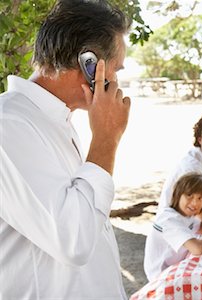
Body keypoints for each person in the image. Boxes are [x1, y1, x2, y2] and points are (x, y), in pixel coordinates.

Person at [0, 1, 130, 298]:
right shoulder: (8, 126)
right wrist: (106, 139)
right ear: (88, 64)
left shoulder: (54, 120)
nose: (118, 81)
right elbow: (73, 239)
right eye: (116, 69)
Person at [144, 172, 202, 282]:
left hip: (177, 266)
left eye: (200, 198)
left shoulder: (186, 214)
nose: (194, 203)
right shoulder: (168, 220)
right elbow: (198, 249)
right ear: (178, 194)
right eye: (190, 196)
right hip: (162, 277)